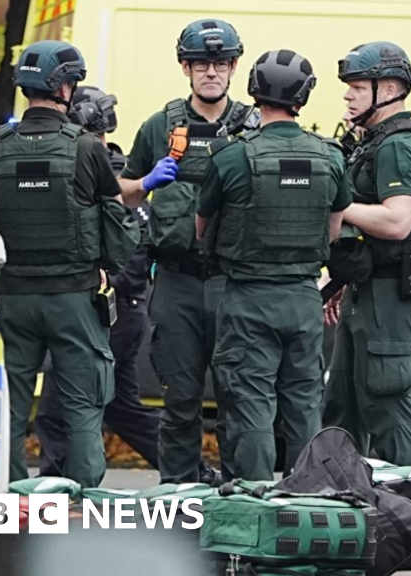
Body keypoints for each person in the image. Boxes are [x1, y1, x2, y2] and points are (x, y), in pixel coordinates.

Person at [33, 87, 229, 481]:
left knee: (57, 404)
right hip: (123, 310)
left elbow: (132, 246)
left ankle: (53, 483)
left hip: (110, 310)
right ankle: (192, 470)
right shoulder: (113, 168)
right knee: (120, 407)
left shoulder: (103, 172)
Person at [0, 40, 125, 488]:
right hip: (74, 299)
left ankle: (11, 507)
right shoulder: (86, 147)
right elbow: (117, 222)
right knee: (82, 406)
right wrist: (108, 265)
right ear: (64, 88)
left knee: (10, 408)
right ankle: (81, 508)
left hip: (13, 299)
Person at [197, 49, 350, 480]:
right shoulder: (330, 157)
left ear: (254, 91)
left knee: (251, 404)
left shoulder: (231, 157)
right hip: (304, 299)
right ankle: (307, 499)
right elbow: (334, 231)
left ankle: (255, 500)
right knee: (304, 403)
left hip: (247, 298)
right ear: (302, 97)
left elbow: (200, 227)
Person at [117, 19, 257, 484]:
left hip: (231, 281)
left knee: (239, 397)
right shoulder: (160, 126)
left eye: (220, 63)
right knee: (179, 398)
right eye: (201, 63)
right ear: (185, 67)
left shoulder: (253, 127)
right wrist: (143, 183)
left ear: (234, 67)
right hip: (175, 279)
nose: (211, 72)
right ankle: (179, 496)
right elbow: (121, 194)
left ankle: (240, 497)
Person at [321, 41, 411, 466]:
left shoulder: (399, 146)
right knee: (343, 405)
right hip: (368, 288)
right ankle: (339, 500)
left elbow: (398, 221)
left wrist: (339, 206)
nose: (348, 95)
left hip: (391, 295)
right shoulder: (378, 142)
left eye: (357, 86)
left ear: (388, 89)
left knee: (387, 402)